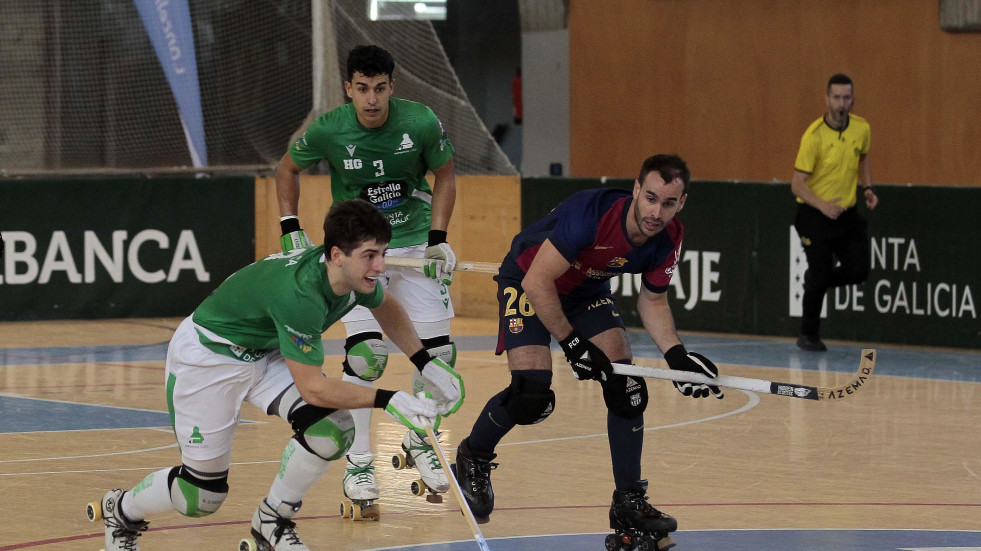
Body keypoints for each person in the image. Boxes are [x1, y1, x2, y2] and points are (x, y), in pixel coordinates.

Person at [87, 199, 464, 551]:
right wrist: (390, 399)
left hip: (264, 352)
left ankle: (272, 521)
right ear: (336, 255)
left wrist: (425, 363)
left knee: (332, 431)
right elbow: (314, 389)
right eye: (369, 256)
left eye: (382, 253)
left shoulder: (350, 277)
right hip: (209, 359)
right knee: (200, 497)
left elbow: (389, 308)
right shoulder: (301, 295)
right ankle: (120, 511)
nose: (380, 266)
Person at [451, 154, 723, 551]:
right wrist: (573, 344)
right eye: (650, 198)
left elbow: (653, 301)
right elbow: (538, 281)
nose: (655, 212)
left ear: (681, 203)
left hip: (586, 291)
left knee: (626, 387)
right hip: (529, 278)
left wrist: (677, 356)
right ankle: (473, 454)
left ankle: (628, 500)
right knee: (531, 391)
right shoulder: (591, 215)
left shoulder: (669, 236)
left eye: (668, 203)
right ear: (636, 190)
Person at [274, 44, 459, 505]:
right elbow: (287, 168)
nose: (372, 99)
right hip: (358, 250)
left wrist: (439, 237)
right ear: (348, 89)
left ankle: (422, 440)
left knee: (440, 357)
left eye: (380, 89)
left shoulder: (419, 122)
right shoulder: (329, 129)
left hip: (414, 244)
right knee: (366, 358)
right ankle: (358, 462)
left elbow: (446, 176)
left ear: (392, 87)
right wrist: (290, 228)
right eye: (362, 89)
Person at [791, 73, 878, 351]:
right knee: (820, 269)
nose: (842, 103)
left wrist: (868, 189)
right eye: (837, 97)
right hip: (814, 214)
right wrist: (823, 205)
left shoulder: (861, 128)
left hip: (846, 214)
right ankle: (808, 335)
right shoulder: (814, 136)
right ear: (827, 99)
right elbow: (797, 184)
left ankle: (817, 279)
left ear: (853, 100)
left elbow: (863, 158)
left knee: (858, 270)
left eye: (847, 98)